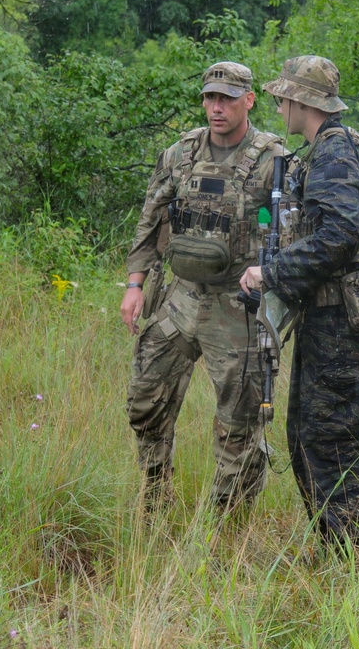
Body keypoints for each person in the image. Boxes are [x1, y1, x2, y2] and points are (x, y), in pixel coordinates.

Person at [120, 61, 289, 512]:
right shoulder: (181, 153)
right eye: (210, 98)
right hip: (181, 298)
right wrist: (135, 285)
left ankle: (229, 522)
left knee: (238, 421)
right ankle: (155, 495)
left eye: (228, 99)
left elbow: (290, 232)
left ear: (248, 101)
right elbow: (150, 217)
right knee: (145, 398)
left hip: (238, 305)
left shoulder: (273, 160)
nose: (217, 107)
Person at [239, 55, 359, 551]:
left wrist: (272, 273)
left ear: (301, 101)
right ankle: (336, 560)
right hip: (329, 318)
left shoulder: (335, 152)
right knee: (310, 441)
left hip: (341, 327)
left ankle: (349, 571)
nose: (279, 105)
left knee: (334, 446)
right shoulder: (331, 149)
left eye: (283, 97)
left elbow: (339, 236)